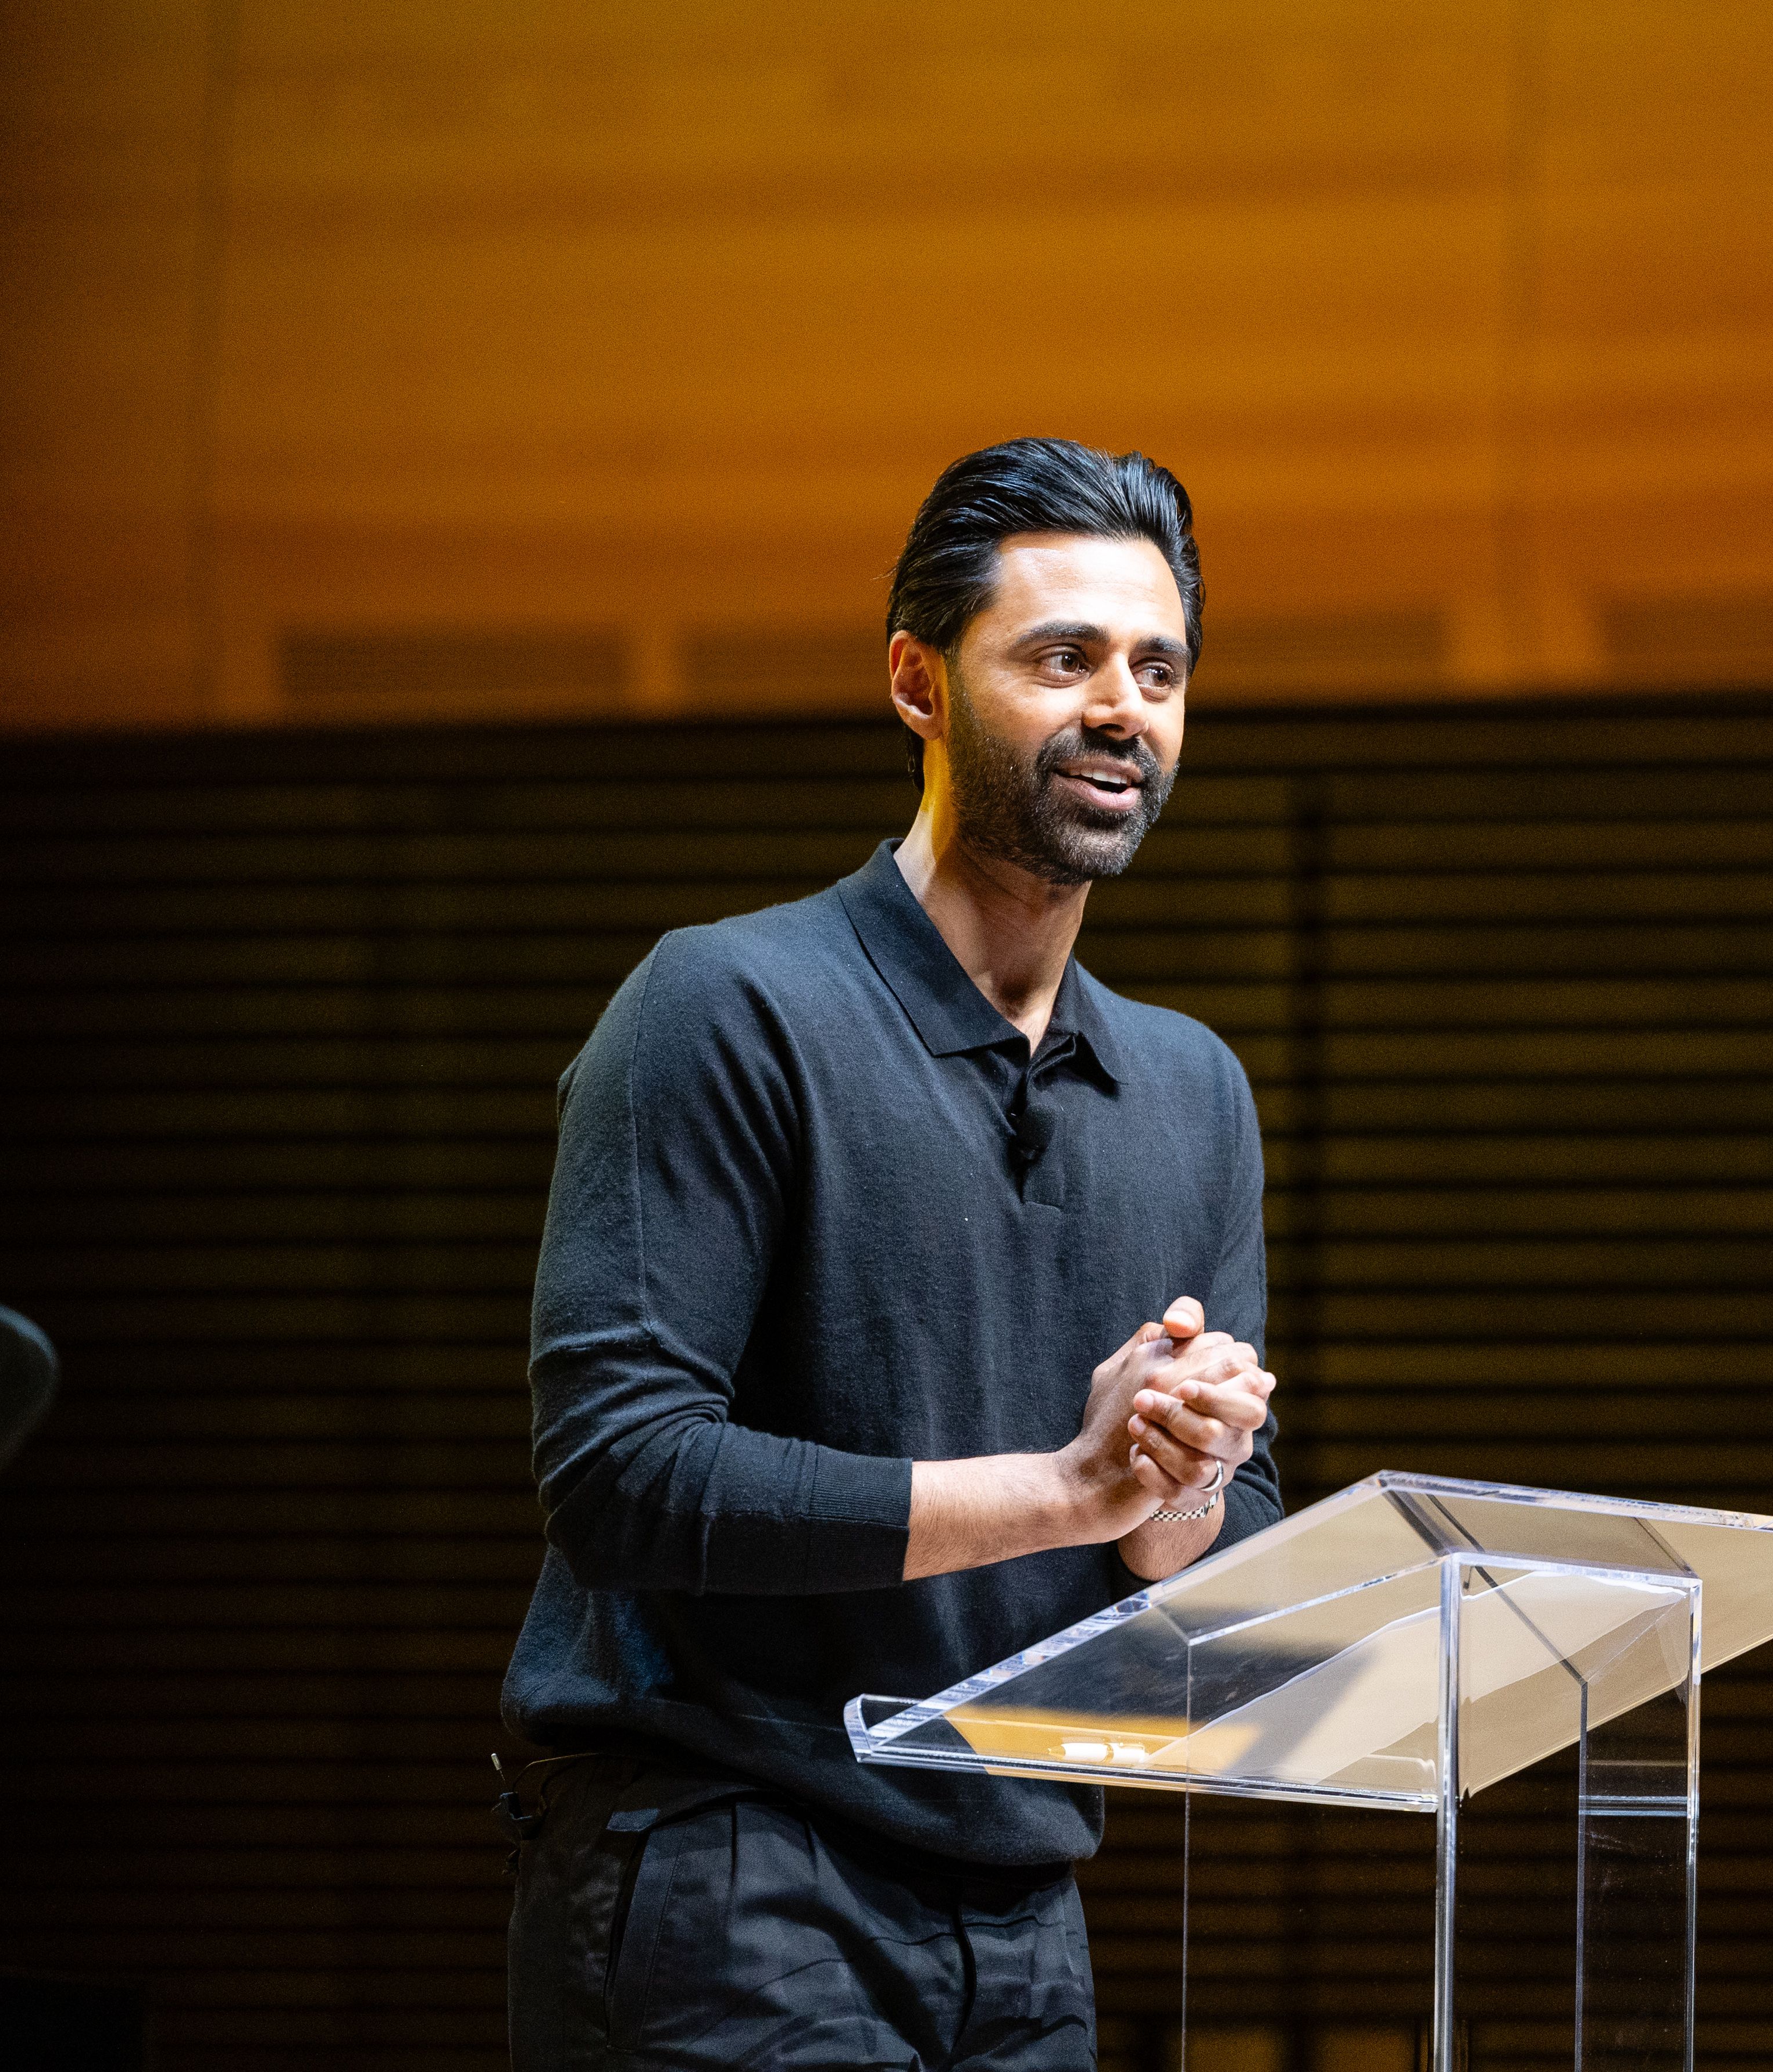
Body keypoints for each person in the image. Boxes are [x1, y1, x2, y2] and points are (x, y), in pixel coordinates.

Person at [502, 438, 1282, 2072]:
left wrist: (1182, 1481)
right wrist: (1073, 1491)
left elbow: (1210, 1552)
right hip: (732, 1860)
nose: (1123, 708)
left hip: (1028, 1897)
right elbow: (623, 1477)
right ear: (920, 685)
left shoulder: (1195, 1090)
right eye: (1062, 658)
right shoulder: (726, 1006)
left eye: (1159, 668)